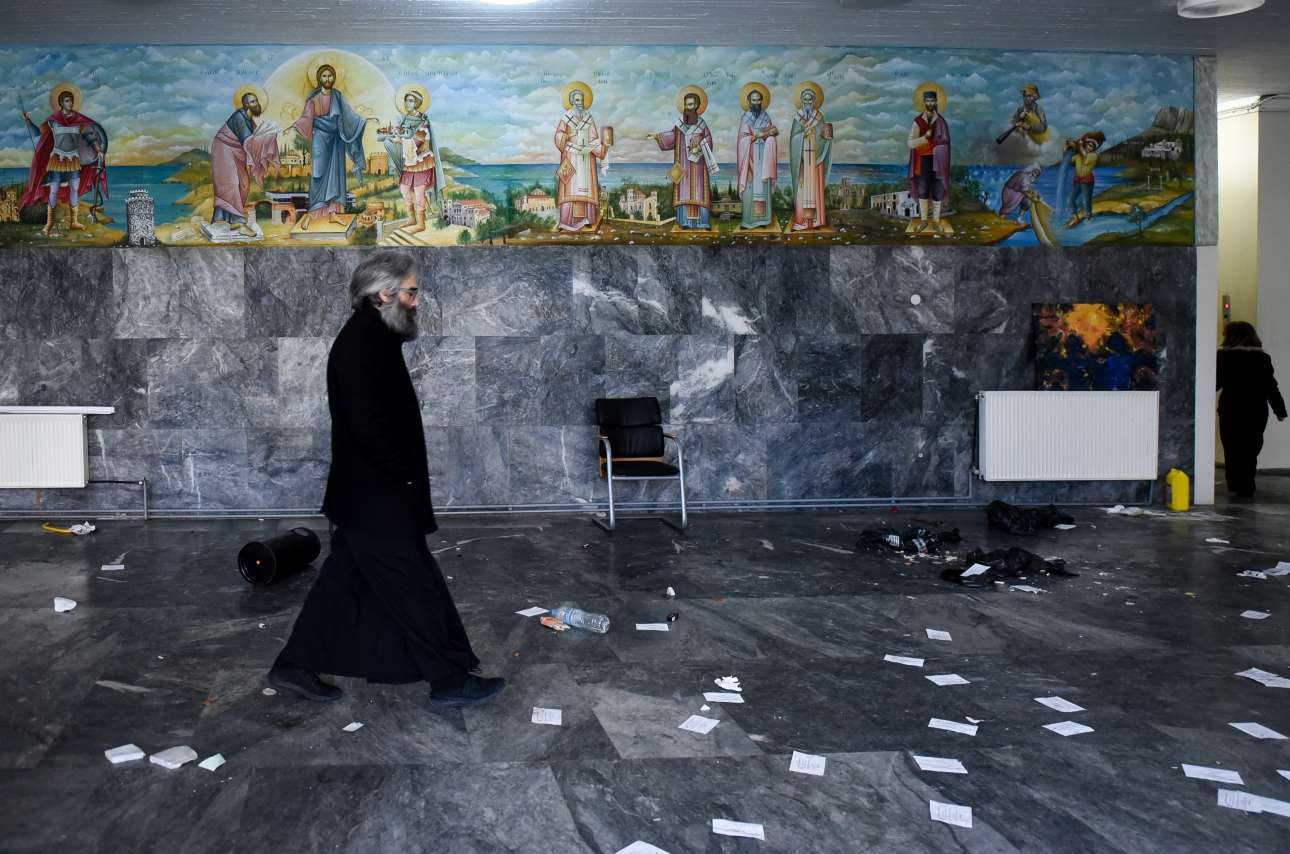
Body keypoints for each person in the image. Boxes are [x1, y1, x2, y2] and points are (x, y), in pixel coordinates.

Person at [268, 252, 505, 706]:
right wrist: (402, 475)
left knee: (342, 584)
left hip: (368, 496)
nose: (417, 301)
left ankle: (293, 667)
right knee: (412, 586)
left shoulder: (373, 337)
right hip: (377, 498)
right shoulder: (363, 343)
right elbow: (369, 425)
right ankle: (449, 680)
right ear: (383, 294)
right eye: (411, 293)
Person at [288, 63, 370, 230]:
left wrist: (362, 122)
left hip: (336, 140)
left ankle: (333, 214)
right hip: (320, 139)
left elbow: (349, 116)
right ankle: (311, 215)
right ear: (319, 78)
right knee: (318, 176)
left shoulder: (338, 96)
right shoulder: (313, 98)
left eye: (330, 75)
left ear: (334, 77)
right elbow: (306, 119)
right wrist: (294, 126)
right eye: (324, 76)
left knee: (336, 177)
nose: (327, 79)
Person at [20, 82, 109, 236]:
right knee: (54, 190)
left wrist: (98, 149)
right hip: (57, 159)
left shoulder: (79, 120)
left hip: (73, 159)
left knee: (74, 189)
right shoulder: (53, 120)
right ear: (61, 103)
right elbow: (38, 132)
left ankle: (74, 222)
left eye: (71, 100)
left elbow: (90, 136)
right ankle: (49, 224)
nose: (70, 103)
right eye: (67, 101)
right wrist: (28, 122)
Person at [1217, 321, 1287, 498]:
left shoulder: (1223, 357)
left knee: (1231, 447)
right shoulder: (1262, 358)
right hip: (1256, 409)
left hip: (1231, 408)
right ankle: (1247, 485)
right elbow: (1270, 386)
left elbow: (1215, 383)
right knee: (1251, 448)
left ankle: (1234, 484)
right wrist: (1280, 410)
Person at [210, 86, 279, 237]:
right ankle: (237, 222)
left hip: (237, 152)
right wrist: (265, 137)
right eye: (253, 102)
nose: (256, 104)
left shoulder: (250, 121)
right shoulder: (239, 117)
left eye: (256, 101)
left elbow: (253, 142)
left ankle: (222, 218)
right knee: (230, 184)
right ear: (246, 105)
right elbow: (248, 141)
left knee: (244, 184)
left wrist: (269, 136)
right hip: (223, 149)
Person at [378, 85, 444, 235]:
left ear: (417, 103)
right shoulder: (404, 120)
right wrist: (391, 136)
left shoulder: (423, 121)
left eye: (410, 101)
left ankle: (421, 223)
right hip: (410, 162)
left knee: (419, 192)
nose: (407, 103)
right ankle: (411, 218)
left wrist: (399, 141)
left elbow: (418, 141)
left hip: (422, 162)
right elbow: (400, 134)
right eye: (406, 100)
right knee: (404, 189)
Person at [649, 86, 717, 230]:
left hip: (698, 166)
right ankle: (684, 222)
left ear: (697, 105)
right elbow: (672, 137)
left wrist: (699, 147)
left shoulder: (702, 124)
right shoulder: (680, 124)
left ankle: (703, 223)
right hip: (683, 165)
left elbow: (709, 140)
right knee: (683, 192)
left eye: (691, 104)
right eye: (686, 105)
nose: (688, 108)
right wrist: (657, 136)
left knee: (699, 192)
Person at [554, 81, 612, 233]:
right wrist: (566, 136)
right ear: (572, 101)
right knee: (570, 188)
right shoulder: (566, 118)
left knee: (586, 189)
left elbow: (594, 139)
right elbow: (558, 136)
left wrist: (603, 146)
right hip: (571, 156)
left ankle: (587, 219)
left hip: (586, 158)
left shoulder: (588, 118)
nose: (580, 103)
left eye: (582, 100)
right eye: (577, 100)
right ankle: (566, 222)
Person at [906, 83, 953, 236]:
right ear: (924, 102)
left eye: (933, 101)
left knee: (938, 190)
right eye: (928, 101)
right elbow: (910, 143)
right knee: (923, 190)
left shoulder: (941, 122)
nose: (930, 103)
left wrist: (939, 148)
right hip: (923, 161)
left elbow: (946, 143)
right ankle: (924, 220)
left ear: (936, 102)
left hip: (938, 162)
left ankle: (936, 221)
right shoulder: (918, 122)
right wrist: (924, 139)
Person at [789, 81, 833, 231]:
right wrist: (802, 135)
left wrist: (827, 138)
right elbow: (793, 139)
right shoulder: (798, 117)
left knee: (815, 190)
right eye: (805, 99)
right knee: (802, 190)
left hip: (815, 159)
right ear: (802, 101)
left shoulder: (819, 117)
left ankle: (816, 221)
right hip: (802, 160)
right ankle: (801, 221)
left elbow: (823, 136)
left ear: (814, 101)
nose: (807, 102)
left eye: (810, 99)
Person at [735, 82, 778, 230]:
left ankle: (763, 220)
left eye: (758, 100)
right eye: (753, 100)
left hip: (764, 159)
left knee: (763, 188)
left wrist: (768, 136)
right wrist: (754, 136)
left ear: (762, 101)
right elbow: (742, 140)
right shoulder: (745, 118)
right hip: (750, 159)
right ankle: (749, 221)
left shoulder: (766, 117)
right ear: (749, 101)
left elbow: (772, 133)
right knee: (750, 189)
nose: (756, 103)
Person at [1064, 131, 1105, 229]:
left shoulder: (1093, 156)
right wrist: (1066, 149)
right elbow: (1069, 161)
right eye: (1088, 145)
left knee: (1086, 201)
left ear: (1094, 148)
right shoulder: (1079, 155)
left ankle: (1088, 220)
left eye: (1092, 146)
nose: (1089, 147)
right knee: (1070, 200)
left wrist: (1078, 144)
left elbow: (1085, 157)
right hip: (1078, 180)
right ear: (1086, 145)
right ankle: (1075, 217)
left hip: (1087, 181)